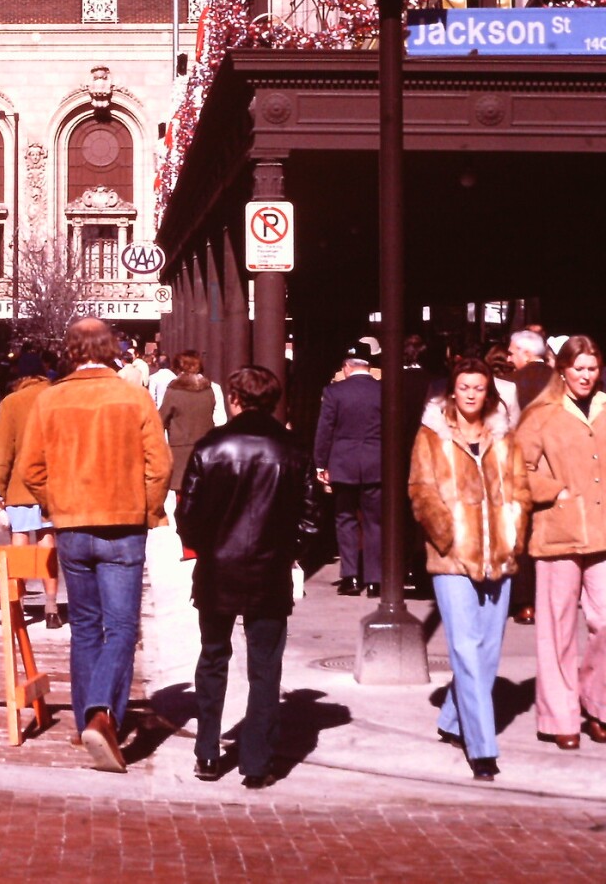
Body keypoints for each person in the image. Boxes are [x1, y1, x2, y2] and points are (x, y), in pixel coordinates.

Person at [19, 317, 171, 773]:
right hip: (122, 524)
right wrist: (145, 508)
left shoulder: (50, 400)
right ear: (109, 349)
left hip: (72, 525)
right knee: (122, 627)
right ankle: (102, 714)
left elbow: (31, 470)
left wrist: (58, 504)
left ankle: (87, 718)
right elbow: (158, 465)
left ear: (69, 350)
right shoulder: (133, 396)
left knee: (85, 626)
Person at [177, 365, 322, 790]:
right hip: (269, 569)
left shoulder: (211, 446)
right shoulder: (293, 449)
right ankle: (256, 761)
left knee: (213, 657)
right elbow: (312, 520)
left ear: (234, 399)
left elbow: (188, 514)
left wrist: (208, 546)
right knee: (265, 666)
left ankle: (207, 750)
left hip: (218, 569)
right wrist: (288, 552)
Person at [409, 358, 531, 781]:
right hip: (452, 558)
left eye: (479, 387)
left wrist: (513, 534)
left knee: (488, 651)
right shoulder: (432, 434)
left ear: (489, 391)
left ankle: (451, 719)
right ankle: (482, 748)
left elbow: (519, 489)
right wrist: (450, 536)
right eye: (464, 387)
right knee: (464, 647)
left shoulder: (504, 435)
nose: (472, 394)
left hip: (499, 554)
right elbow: (421, 492)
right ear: (452, 390)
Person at [514, 334, 606, 751]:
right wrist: (555, 491)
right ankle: (560, 715)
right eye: (579, 369)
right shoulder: (542, 415)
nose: (586, 376)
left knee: (604, 622)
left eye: (592, 368)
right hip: (558, 533)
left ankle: (596, 703)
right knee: (557, 628)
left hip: (603, 532)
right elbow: (520, 470)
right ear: (564, 371)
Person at [0, 355, 60, 627]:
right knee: (47, 540)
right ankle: (51, 607)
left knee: (19, 539)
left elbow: (2, 450)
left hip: (20, 484)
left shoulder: (11, 403)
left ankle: (14, 605)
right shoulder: (56, 396)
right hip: (51, 485)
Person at [314, 345, 384, 597]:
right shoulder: (383, 391)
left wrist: (321, 463)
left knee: (345, 520)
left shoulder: (334, 392)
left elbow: (325, 430)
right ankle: (376, 580)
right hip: (377, 462)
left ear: (347, 366)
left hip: (343, 463)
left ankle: (351, 576)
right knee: (375, 522)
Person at [160, 350, 220, 493]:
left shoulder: (173, 391)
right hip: (205, 448)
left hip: (180, 450)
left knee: (181, 493)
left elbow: (161, 419)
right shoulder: (209, 390)